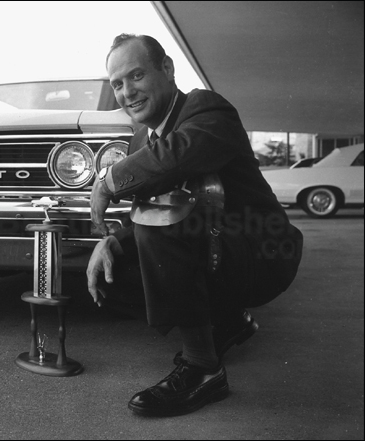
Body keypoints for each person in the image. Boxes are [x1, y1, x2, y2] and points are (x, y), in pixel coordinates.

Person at [87, 33, 303, 417]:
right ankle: (227, 322)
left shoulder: (206, 107)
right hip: (217, 246)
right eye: (117, 84)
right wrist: (113, 243)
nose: (126, 92)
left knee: (165, 222)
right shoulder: (140, 138)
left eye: (136, 76)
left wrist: (107, 180)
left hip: (264, 251)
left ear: (167, 69)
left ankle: (204, 368)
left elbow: (177, 159)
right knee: (113, 270)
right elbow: (148, 203)